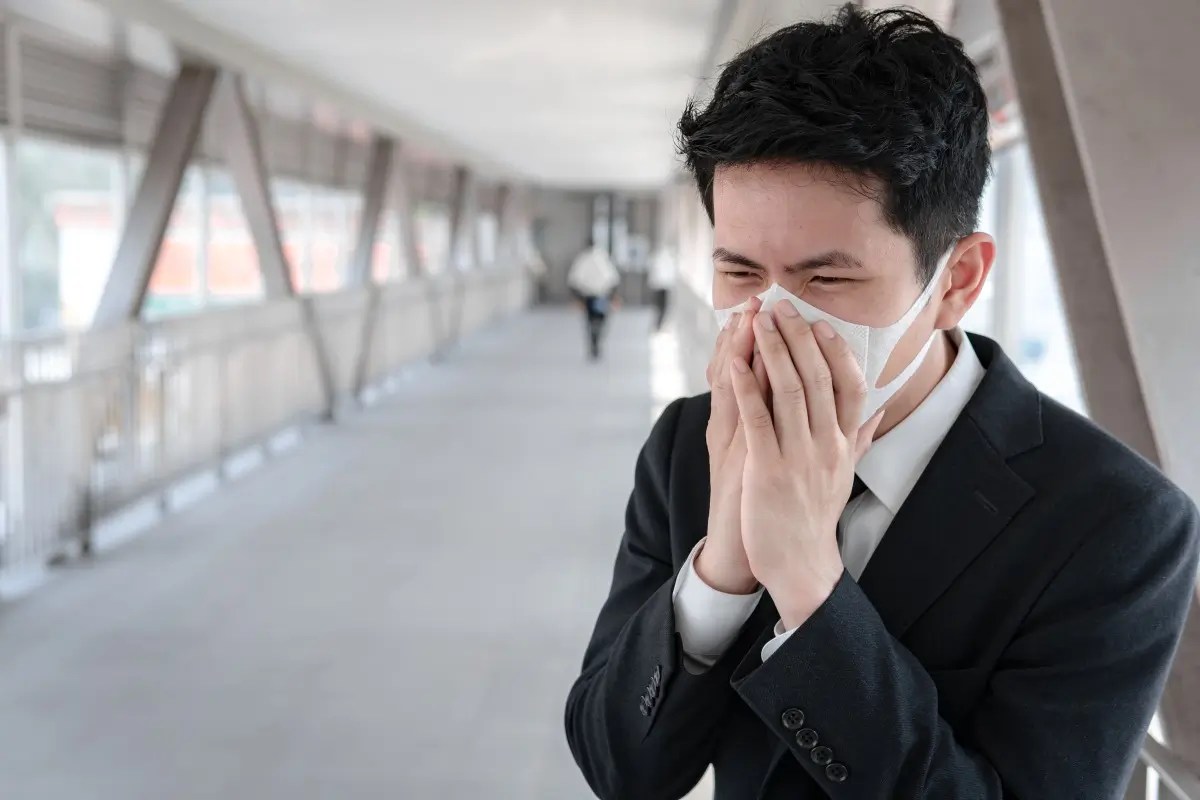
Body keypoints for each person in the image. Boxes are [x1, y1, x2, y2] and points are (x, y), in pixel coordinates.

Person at [564, 6, 1199, 799]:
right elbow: (619, 768)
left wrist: (809, 588)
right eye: (738, 273)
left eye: (825, 279)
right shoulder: (688, 441)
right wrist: (721, 570)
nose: (770, 319)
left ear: (957, 281)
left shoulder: (1117, 521)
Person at [568, 237, 621, 361]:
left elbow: (574, 279)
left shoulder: (582, 258)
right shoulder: (603, 258)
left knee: (590, 320)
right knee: (601, 319)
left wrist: (576, 296)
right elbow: (613, 278)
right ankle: (597, 341)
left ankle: (593, 342)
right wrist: (613, 295)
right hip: (602, 294)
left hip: (587, 295)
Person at [648, 244, 677, 332]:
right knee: (661, 307)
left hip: (660, 286)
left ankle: (658, 325)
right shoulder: (664, 260)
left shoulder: (660, 259)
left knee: (661, 307)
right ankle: (658, 325)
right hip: (662, 287)